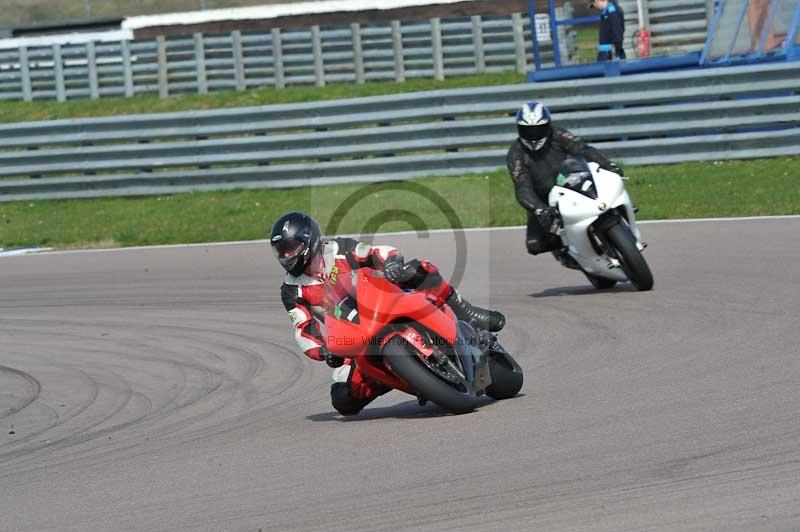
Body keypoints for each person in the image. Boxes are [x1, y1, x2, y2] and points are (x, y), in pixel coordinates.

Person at [271, 211, 505, 416]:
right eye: (282, 251)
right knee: (343, 400)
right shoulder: (291, 290)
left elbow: (375, 252)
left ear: (309, 240)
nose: (287, 256)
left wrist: (391, 262)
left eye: (292, 249)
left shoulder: (339, 249)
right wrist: (323, 351)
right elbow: (303, 328)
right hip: (355, 335)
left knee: (416, 269)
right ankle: (403, 375)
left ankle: (465, 312)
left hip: (388, 300)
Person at [506, 101, 622, 257]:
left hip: (574, 183)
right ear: (519, 129)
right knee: (534, 245)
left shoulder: (559, 135)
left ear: (548, 126)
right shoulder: (515, 154)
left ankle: (620, 218)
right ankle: (568, 252)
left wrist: (609, 165)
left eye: (538, 129)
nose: (534, 135)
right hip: (545, 200)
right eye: (528, 130)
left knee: (609, 189)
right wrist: (539, 209)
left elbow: (583, 149)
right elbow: (522, 187)